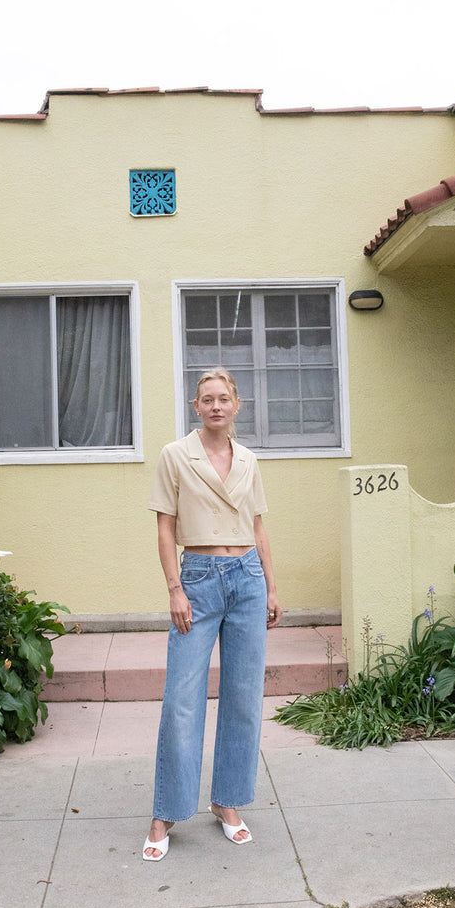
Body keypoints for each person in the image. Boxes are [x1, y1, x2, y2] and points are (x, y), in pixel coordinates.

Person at [143, 367, 282, 861]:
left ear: (236, 405)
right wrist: (175, 589)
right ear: (196, 406)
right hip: (198, 579)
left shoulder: (247, 460)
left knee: (244, 696)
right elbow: (165, 528)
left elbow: (258, 526)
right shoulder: (175, 456)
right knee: (182, 697)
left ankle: (226, 802)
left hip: (246, 576)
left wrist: (269, 586)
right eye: (208, 399)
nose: (216, 405)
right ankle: (166, 812)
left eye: (224, 398)